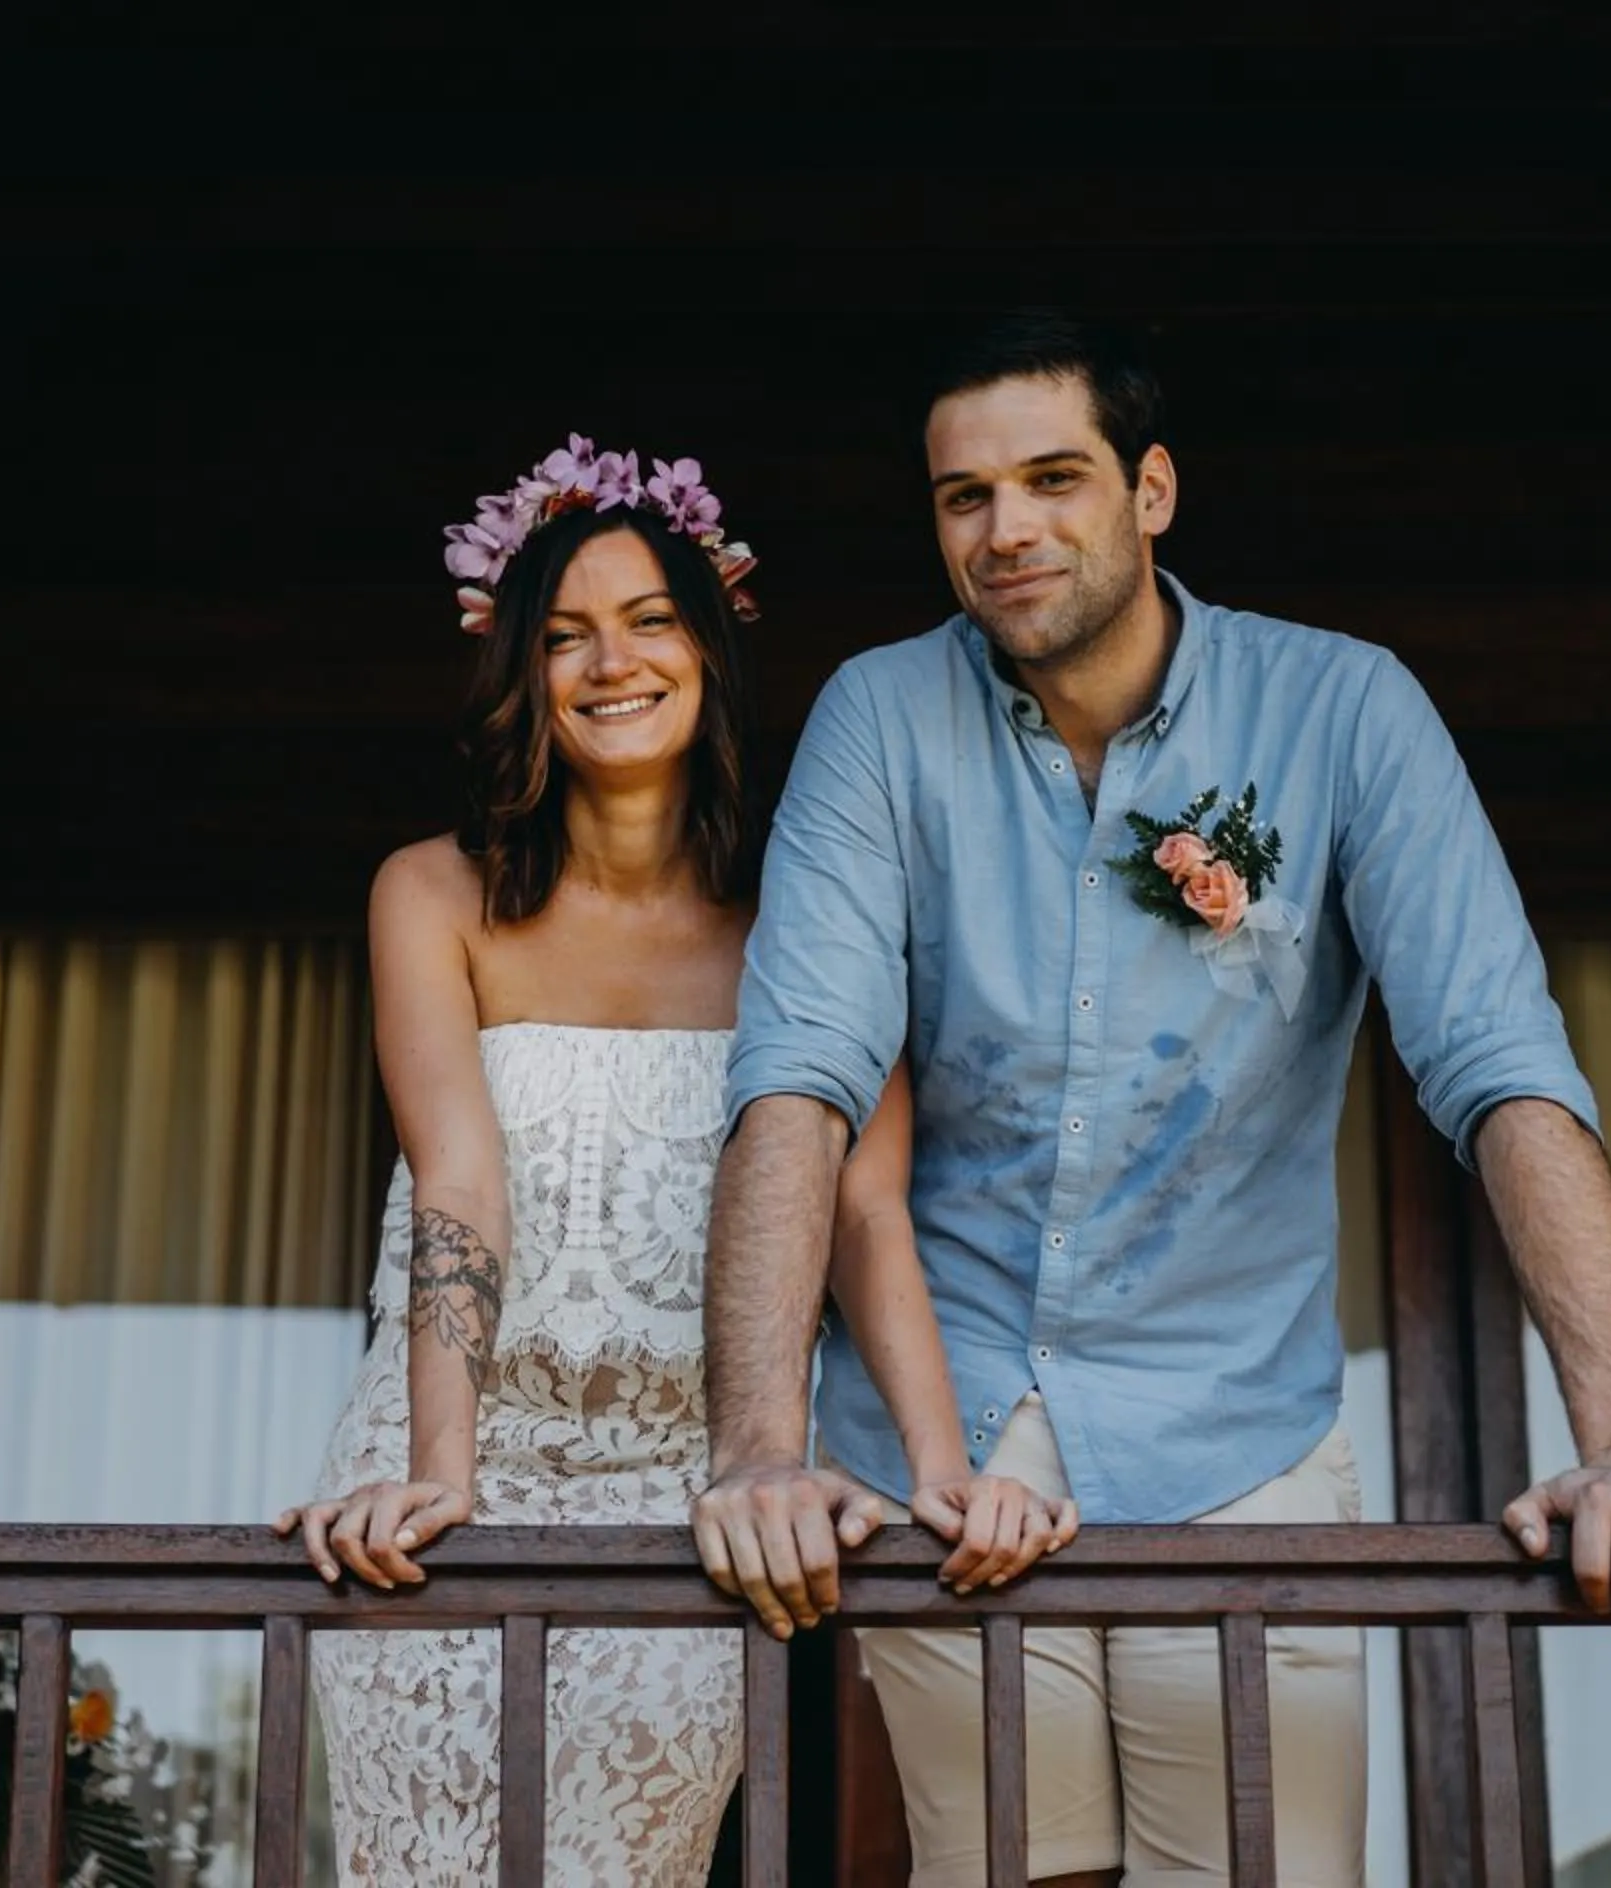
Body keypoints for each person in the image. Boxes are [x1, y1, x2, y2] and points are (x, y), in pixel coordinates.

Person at [694, 316, 1611, 1887]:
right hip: (950, 1442)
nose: (1008, 529)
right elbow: (800, 1076)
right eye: (965, 498)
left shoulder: (1347, 710)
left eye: (1052, 479)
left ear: (1152, 490)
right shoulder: (879, 717)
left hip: (1243, 1436)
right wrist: (759, 1446)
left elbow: (1501, 1068)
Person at [273, 437, 1069, 1886]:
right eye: (567, 636)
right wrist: (442, 1478)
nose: (609, 663)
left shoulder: (809, 924)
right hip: (453, 1471)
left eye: (648, 622)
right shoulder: (430, 894)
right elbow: (457, 1177)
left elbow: (869, 1212)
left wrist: (941, 1467)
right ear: (520, 671)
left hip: (685, 1502)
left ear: (708, 652)